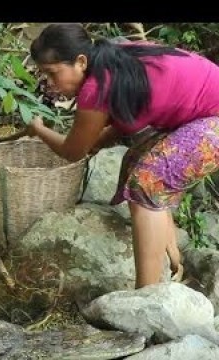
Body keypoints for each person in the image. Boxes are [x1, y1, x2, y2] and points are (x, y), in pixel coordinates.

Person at [26, 23, 219, 288]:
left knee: (148, 181)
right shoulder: (112, 58)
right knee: (135, 162)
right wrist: (96, 141)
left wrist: (38, 130)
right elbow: (127, 115)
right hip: (201, 115)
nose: (49, 82)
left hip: (212, 121)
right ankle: (172, 258)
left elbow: (72, 151)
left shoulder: (96, 88)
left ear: (80, 62)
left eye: (52, 73)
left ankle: (147, 299)